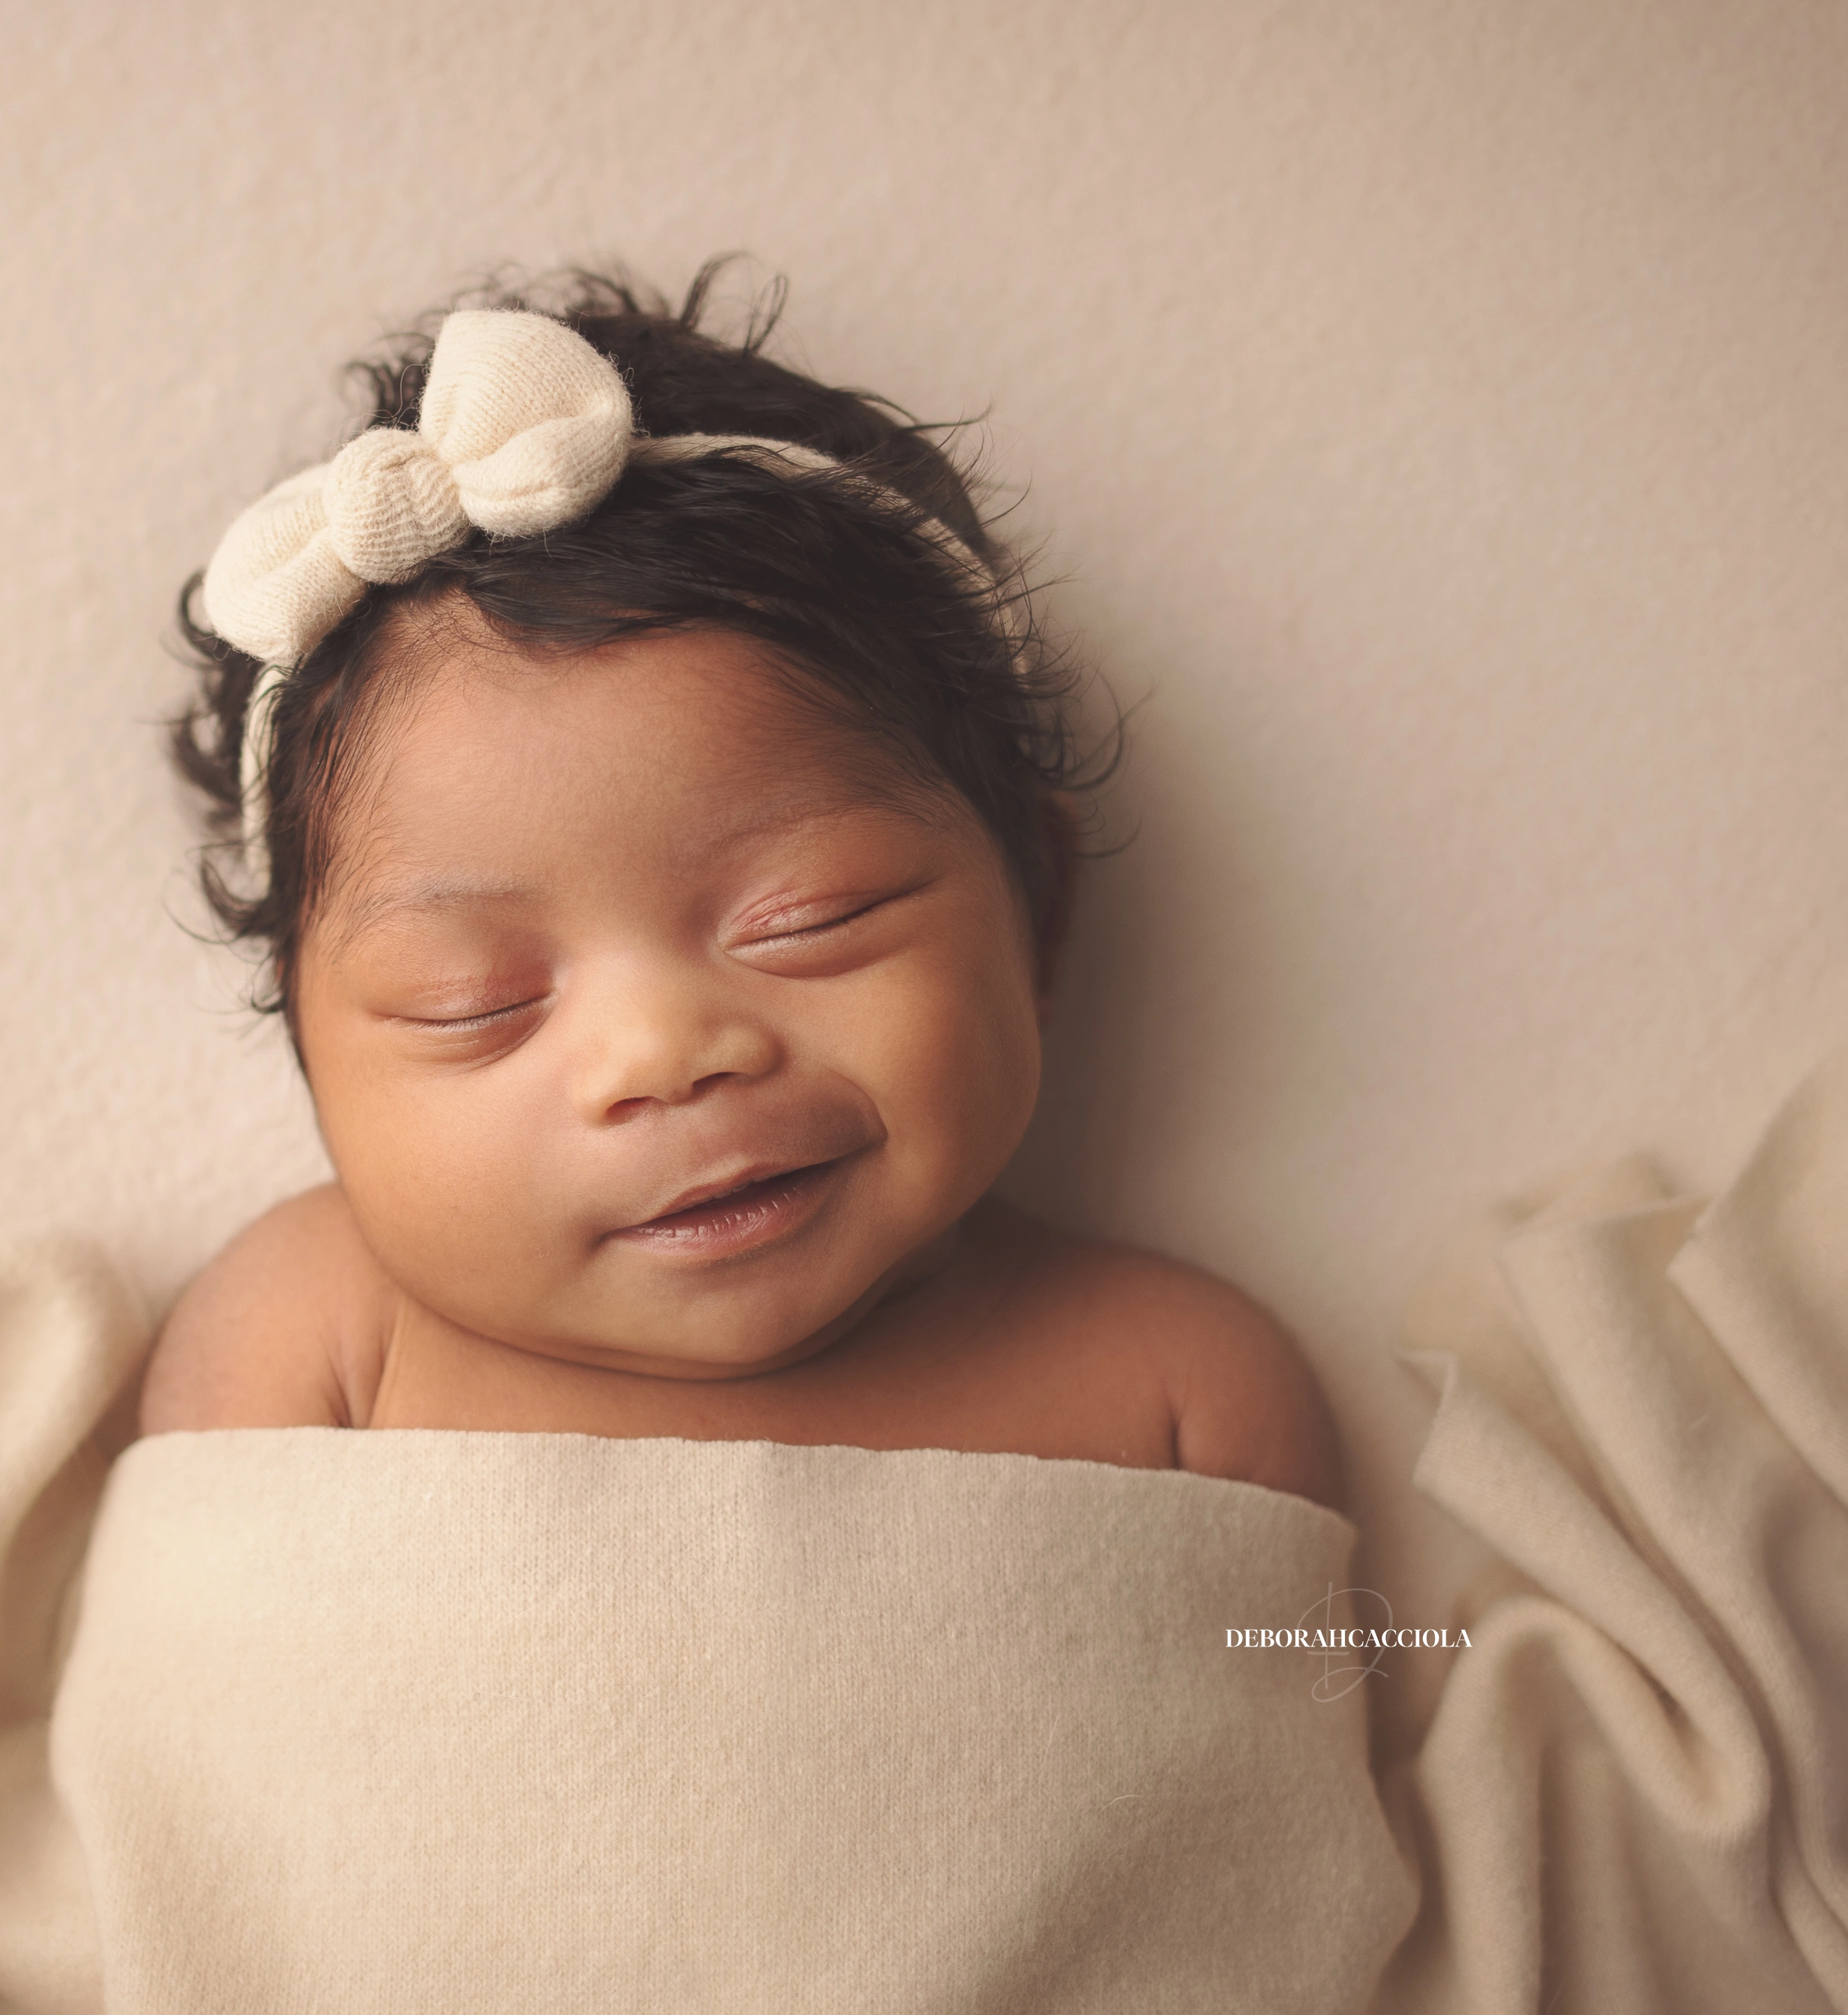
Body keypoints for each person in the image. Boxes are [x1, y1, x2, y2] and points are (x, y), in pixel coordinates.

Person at [140, 269, 1334, 1498]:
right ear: (309, 1052)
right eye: (474, 1000)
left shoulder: (1180, 1386)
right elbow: (166, 1694)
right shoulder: (312, 1336)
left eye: (807, 920)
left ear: (1043, 901)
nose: (666, 1054)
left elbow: (1301, 1682)